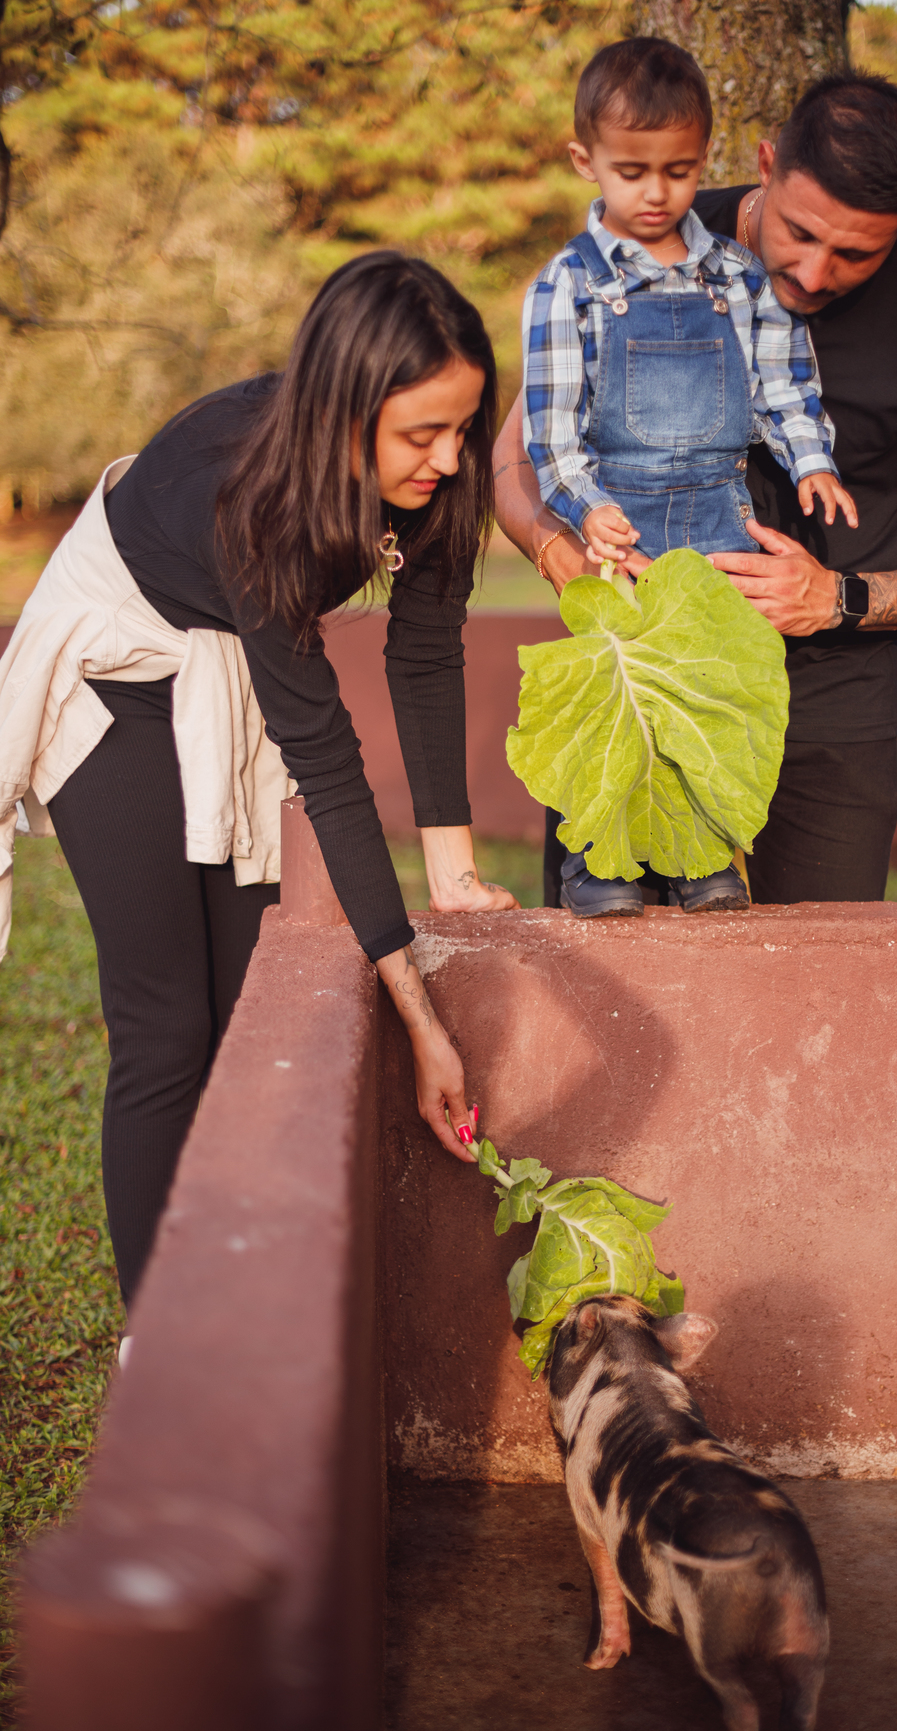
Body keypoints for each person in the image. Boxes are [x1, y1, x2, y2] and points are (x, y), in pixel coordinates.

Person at [0, 251, 515, 1322]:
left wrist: (455, 878)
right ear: (343, 415)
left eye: (464, 427)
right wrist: (420, 1018)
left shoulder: (442, 476)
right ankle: (163, 1337)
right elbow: (327, 762)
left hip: (226, 656)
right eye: (421, 435)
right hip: (117, 675)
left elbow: (424, 658)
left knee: (249, 1016)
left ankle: (233, 1283)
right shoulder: (254, 498)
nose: (449, 457)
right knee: (165, 1027)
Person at [494, 72, 897, 909]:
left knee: (816, 993)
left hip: (830, 714)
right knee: (612, 971)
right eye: (799, 233)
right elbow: (516, 456)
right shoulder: (649, 228)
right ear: (767, 165)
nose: (813, 274)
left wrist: (838, 598)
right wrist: (559, 552)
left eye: (855, 253)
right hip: (638, 674)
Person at [521, 37, 856, 920]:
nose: (657, 192)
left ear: (702, 159)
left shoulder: (743, 280)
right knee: (619, 691)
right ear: (584, 160)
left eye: (677, 170)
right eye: (631, 172)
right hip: (618, 525)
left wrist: (811, 461)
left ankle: (707, 853)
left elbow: (785, 389)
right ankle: (604, 861)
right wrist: (585, 510)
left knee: (707, 691)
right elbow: (549, 435)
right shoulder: (568, 285)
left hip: (717, 517)